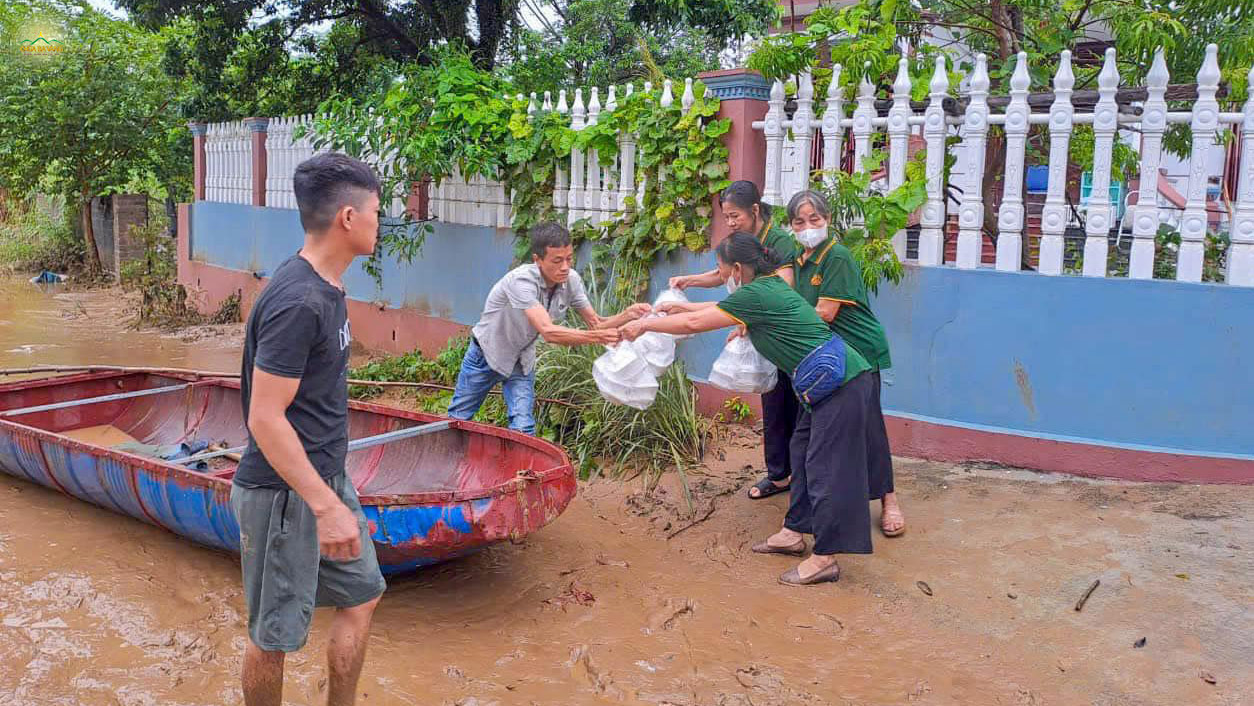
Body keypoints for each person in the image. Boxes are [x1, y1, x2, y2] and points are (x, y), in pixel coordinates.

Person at [622, 232, 874, 586]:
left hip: (842, 384)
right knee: (800, 454)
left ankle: (825, 559)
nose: (722, 277)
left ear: (738, 268)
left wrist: (645, 324)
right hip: (825, 384)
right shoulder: (767, 287)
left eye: (723, 270)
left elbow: (698, 322)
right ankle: (793, 532)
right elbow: (713, 312)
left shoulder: (758, 292)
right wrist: (678, 308)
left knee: (824, 468)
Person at [232, 152, 386, 706]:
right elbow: (264, 418)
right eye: (375, 210)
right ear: (347, 217)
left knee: (363, 594)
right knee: (272, 637)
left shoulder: (329, 288)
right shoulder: (299, 299)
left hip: (323, 478)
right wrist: (323, 506)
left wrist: (331, 494)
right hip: (282, 494)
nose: (379, 221)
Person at [448, 222, 650, 433]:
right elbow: (549, 332)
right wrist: (600, 337)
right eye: (557, 260)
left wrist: (628, 314)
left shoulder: (571, 280)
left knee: (523, 427)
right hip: (486, 355)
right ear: (538, 260)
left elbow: (596, 324)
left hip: (521, 360)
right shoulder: (520, 281)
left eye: (569, 259)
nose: (565, 267)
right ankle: (445, 460)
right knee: (458, 420)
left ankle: (521, 467)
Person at [668, 181, 800, 501]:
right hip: (762, 330)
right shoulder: (742, 241)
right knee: (772, 401)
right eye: (726, 217)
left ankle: (799, 473)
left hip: (783, 332)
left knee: (792, 406)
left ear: (755, 210)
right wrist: (691, 280)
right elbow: (727, 273)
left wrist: (744, 319)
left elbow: (782, 291)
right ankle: (780, 474)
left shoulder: (779, 242)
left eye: (734, 216)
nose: (730, 223)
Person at [785, 189, 905, 537]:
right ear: (791, 226)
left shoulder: (836, 256)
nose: (808, 227)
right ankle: (811, 508)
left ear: (828, 220)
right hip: (827, 356)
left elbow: (825, 312)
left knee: (869, 427)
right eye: (799, 222)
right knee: (813, 433)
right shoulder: (799, 259)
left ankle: (889, 499)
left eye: (814, 220)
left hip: (860, 352)